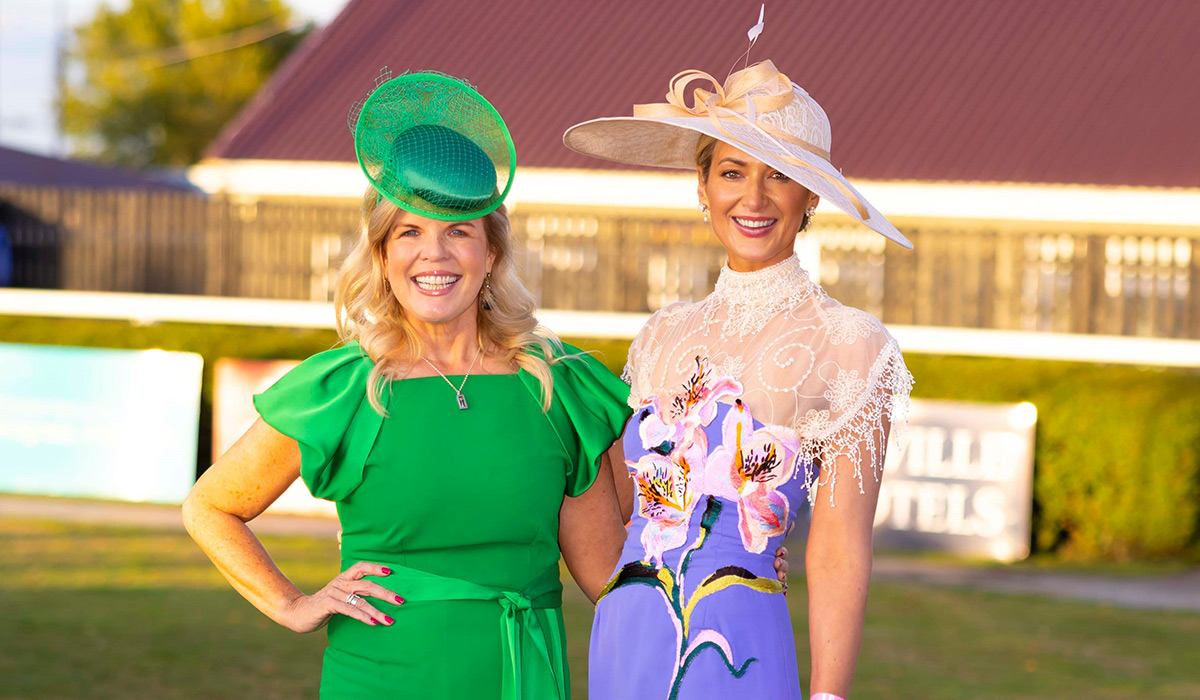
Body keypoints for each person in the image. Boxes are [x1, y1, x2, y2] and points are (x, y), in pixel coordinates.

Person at [181, 71, 635, 699]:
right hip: (379, 675)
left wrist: (731, 561)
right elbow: (210, 507)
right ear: (383, 254)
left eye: (458, 231)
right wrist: (291, 604)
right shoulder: (342, 390)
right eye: (410, 232)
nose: (435, 254)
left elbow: (610, 576)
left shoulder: (559, 389)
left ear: (491, 254)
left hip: (520, 674)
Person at [564, 58, 915, 700]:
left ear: (812, 195)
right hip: (627, 639)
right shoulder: (659, 336)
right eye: (731, 172)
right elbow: (615, 503)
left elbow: (838, 552)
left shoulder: (852, 345)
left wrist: (830, 695)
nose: (752, 199)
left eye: (779, 175)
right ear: (702, 186)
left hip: (741, 648)